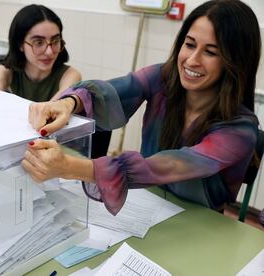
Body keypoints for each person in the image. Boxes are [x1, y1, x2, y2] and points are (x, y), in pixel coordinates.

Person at [21, 0, 261, 216]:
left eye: (210, 52)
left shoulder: (240, 130)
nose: (191, 60)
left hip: (201, 222)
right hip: (147, 204)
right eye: (189, 44)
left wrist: (71, 167)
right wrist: (68, 102)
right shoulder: (162, 77)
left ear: (234, 61)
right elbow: (114, 90)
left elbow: (172, 165)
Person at [0, 4, 81, 102]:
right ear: (20, 44)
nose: (49, 52)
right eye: (38, 42)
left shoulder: (70, 75)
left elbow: (53, 108)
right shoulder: (7, 70)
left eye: (55, 40)